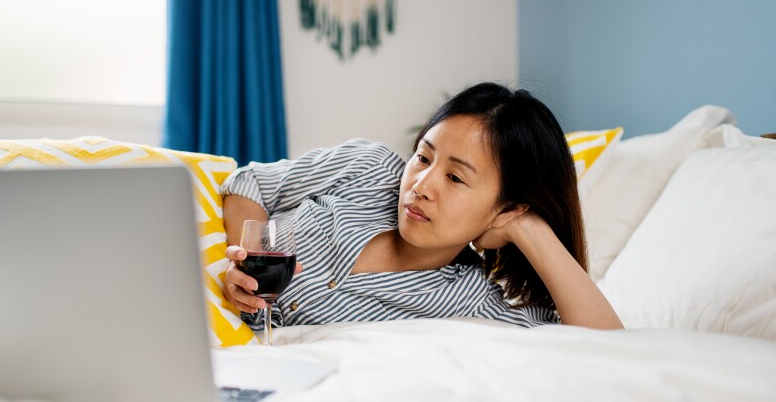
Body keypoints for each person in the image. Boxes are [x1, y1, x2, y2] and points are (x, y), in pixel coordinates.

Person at [220, 82, 623, 331]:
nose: (421, 186)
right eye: (424, 158)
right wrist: (247, 261)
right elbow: (249, 182)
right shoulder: (369, 167)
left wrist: (528, 227)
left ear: (506, 208)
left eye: (455, 177)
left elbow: (603, 344)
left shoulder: (471, 300)